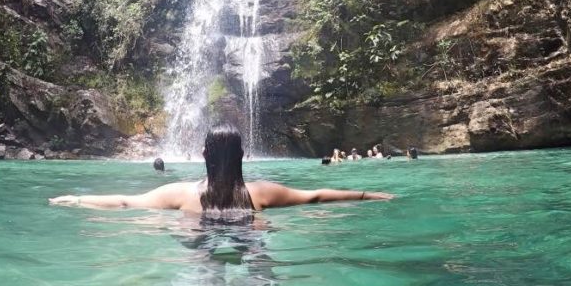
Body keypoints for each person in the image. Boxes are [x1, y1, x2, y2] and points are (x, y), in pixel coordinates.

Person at [49, 124, 393, 214]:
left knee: (198, 270)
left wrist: (78, 200)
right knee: (259, 261)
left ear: (202, 154)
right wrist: (368, 194)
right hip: (248, 227)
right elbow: (317, 197)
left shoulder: (181, 194)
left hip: (199, 230)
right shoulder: (261, 193)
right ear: (244, 155)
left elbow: (125, 202)